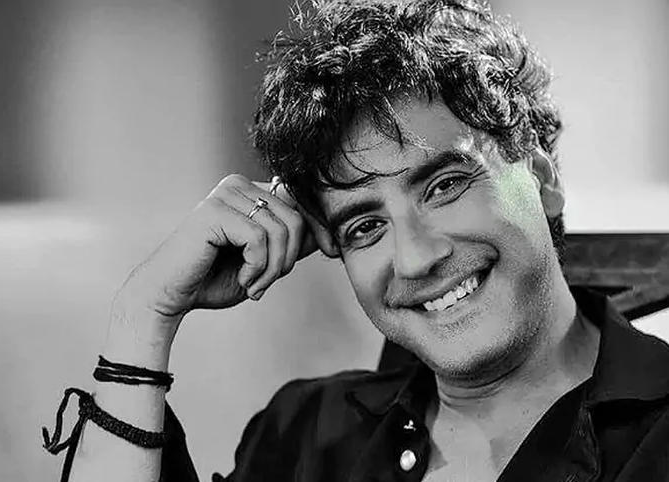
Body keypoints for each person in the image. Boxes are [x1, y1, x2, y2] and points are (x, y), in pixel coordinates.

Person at [42, 1, 669, 481]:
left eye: (445, 185)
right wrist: (143, 315)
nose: (416, 257)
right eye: (365, 226)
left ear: (542, 177)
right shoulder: (306, 436)